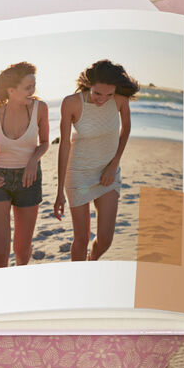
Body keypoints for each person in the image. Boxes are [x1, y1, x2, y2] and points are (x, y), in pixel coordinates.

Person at [53, 60, 136, 261]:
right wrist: (59, 192)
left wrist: (114, 164)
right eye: (98, 93)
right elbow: (64, 145)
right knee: (81, 239)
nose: (103, 99)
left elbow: (125, 130)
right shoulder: (71, 103)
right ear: (89, 84)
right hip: (78, 175)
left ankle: (92, 262)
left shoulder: (120, 100)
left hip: (108, 172)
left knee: (106, 239)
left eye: (108, 95)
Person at [0, 62, 49, 268]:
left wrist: (33, 160)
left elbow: (44, 143)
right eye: (28, 88)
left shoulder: (40, 109)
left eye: (34, 86)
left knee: (22, 250)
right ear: (11, 90)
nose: (32, 91)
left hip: (30, 178)